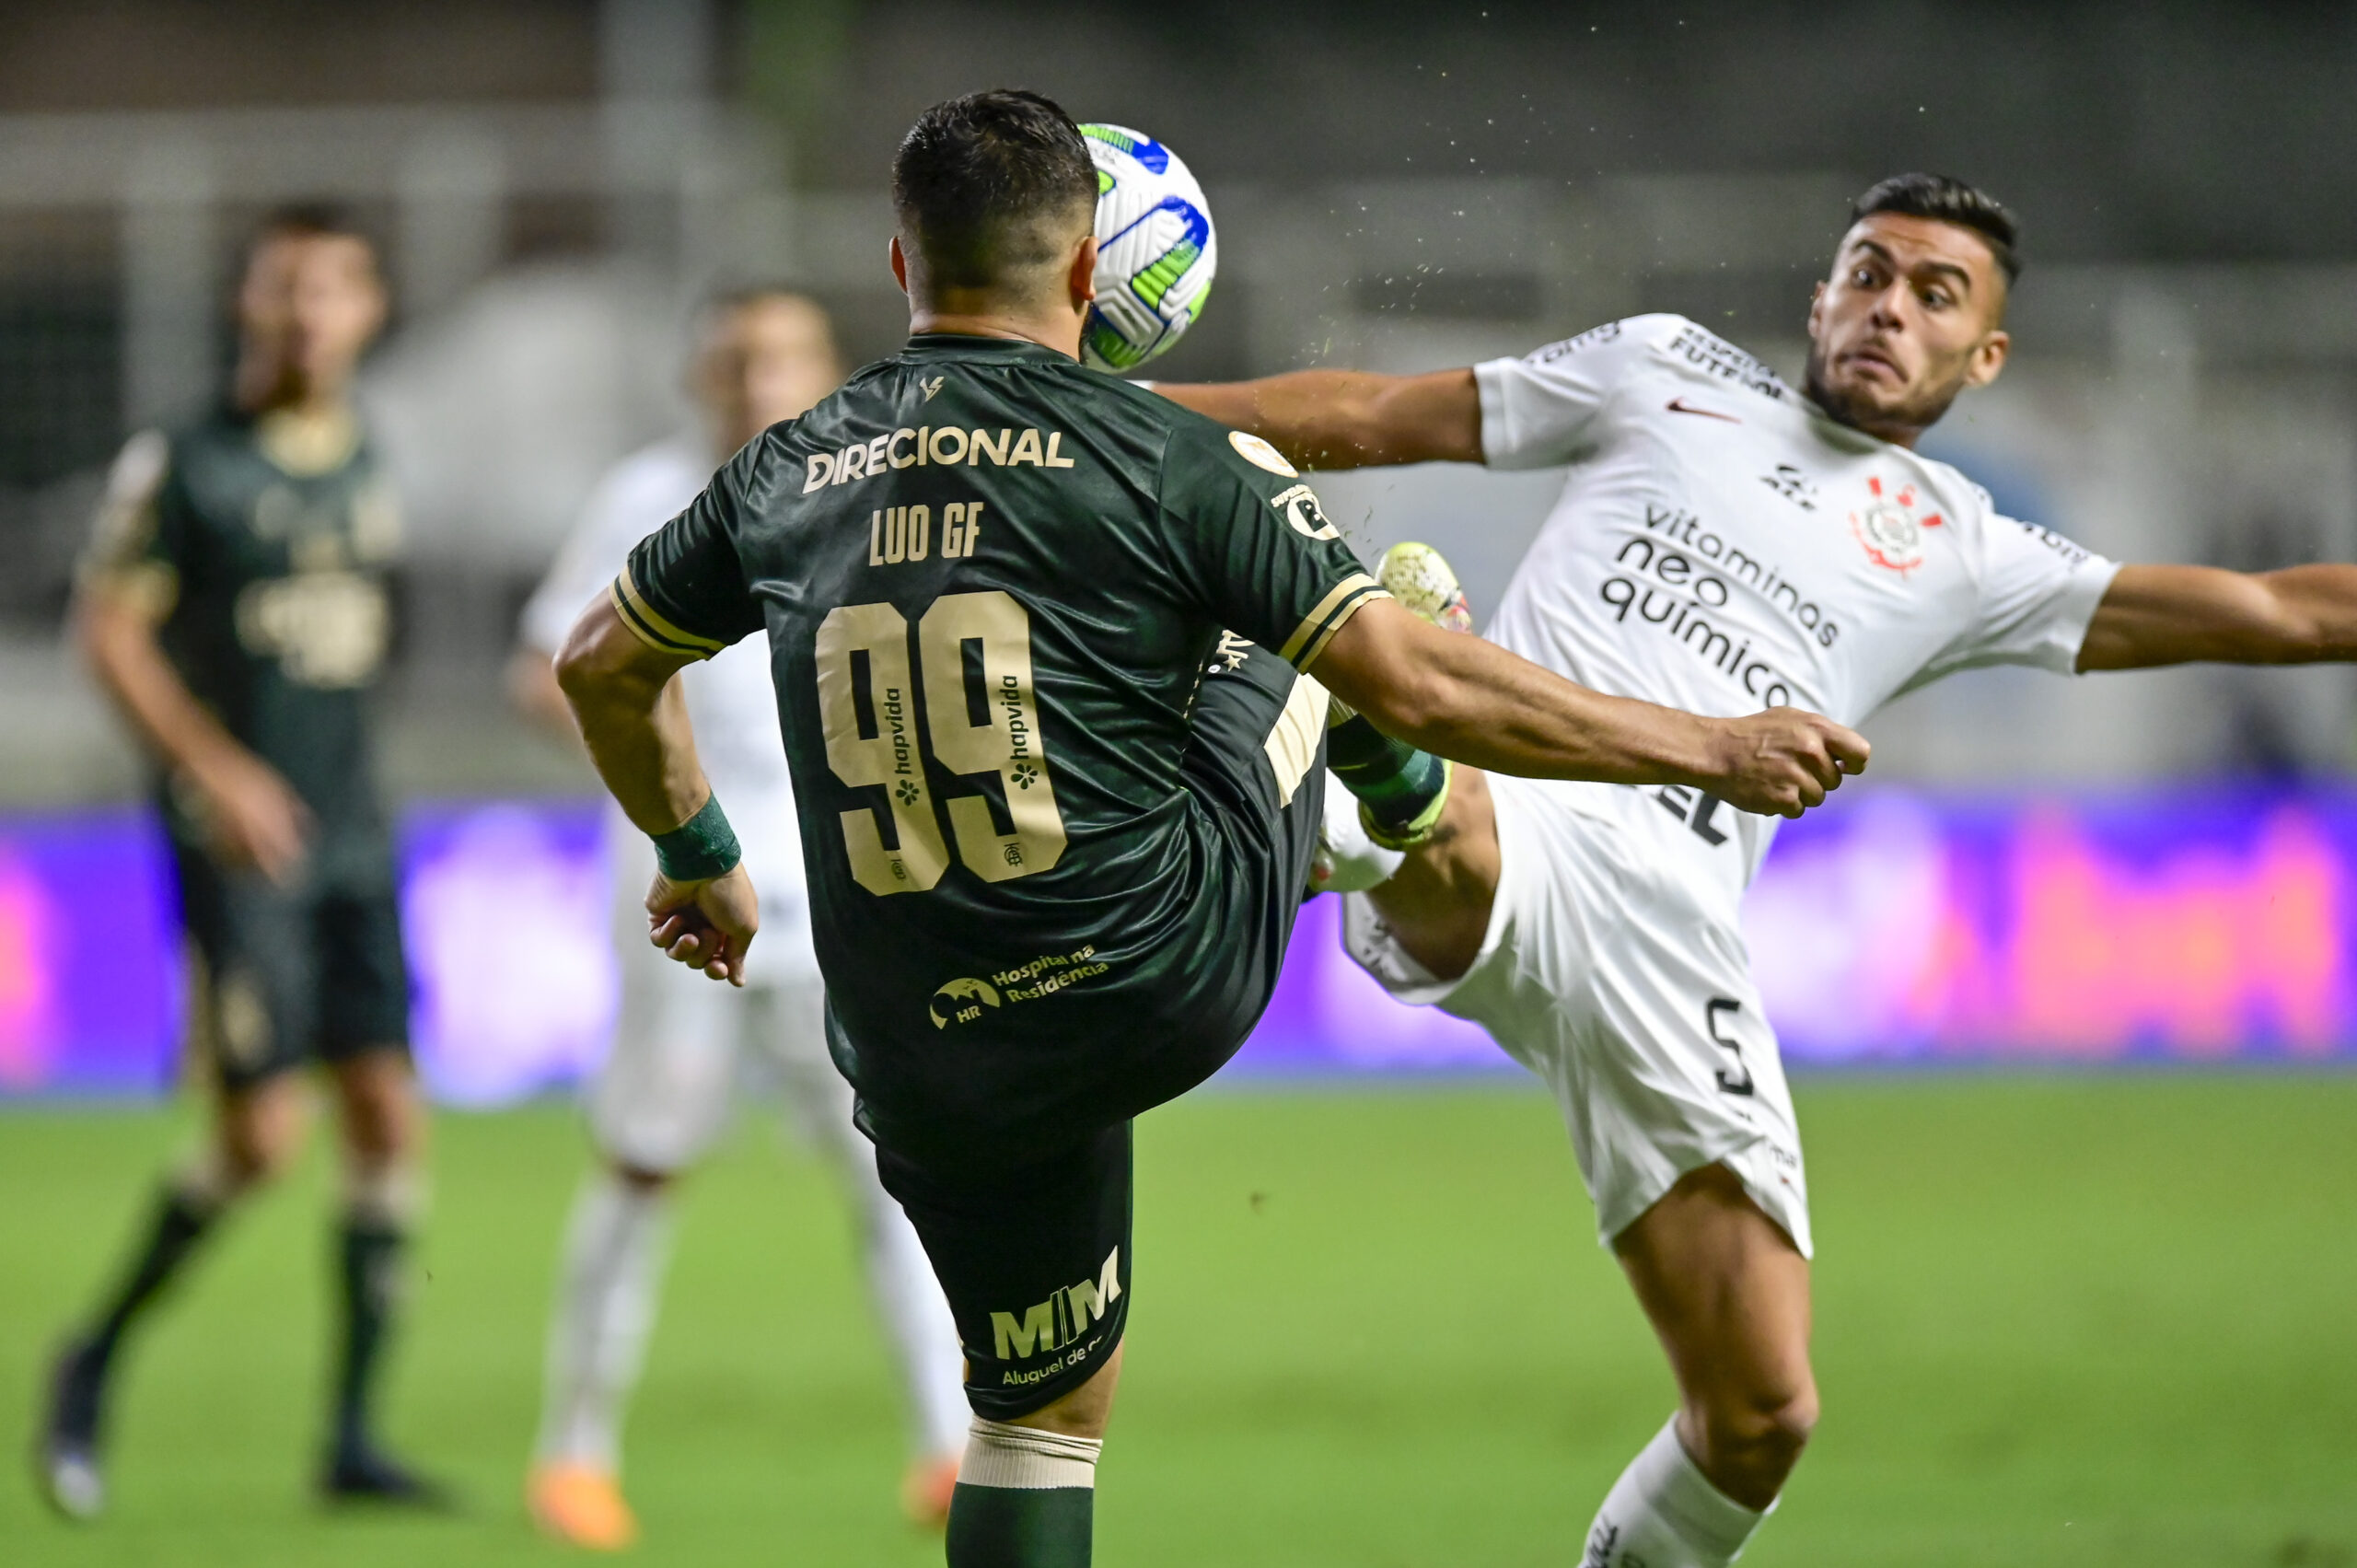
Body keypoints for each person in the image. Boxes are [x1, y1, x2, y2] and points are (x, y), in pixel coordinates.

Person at [550, 89, 1862, 1568]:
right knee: (1359, 614)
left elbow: (602, 663)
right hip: (1154, 968)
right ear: (1096, 280)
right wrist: (1709, 743)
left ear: (904, 268)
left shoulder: (788, 471)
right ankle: (1407, 822)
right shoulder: (1172, 461)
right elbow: (1418, 679)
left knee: (1030, 1429)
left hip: (923, 1034)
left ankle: (1373, 810)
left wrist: (701, 860)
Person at [1155, 171, 2357, 1566]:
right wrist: (1098, 426)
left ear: (1986, 356)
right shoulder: (1663, 371)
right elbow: (1364, 416)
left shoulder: (1967, 549)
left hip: (1674, 928)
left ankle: (1361, 763)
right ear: (1821, 290)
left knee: (1760, 1413)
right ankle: (1373, 759)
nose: (1886, 308)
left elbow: (2268, 608)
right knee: (1446, 806)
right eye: (1868, 271)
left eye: (1933, 294)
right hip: (1529, 800)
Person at [508, 289, 969, 1549]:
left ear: (827, 373)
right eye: (736, 359)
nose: (759, 379)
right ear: (699, 378)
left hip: (844, 899)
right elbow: (550, 666)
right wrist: (667, 780)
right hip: (684, 893)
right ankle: (575, 1454)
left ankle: (947, 1449)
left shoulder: (878, 494)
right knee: (648, 1162)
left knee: (894, 1171)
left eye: (784, 356)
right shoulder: (645, 497)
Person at [41, 206, 439, 1515]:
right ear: (246, 306)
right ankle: (90, 1357)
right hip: (238, 844)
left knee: (386, 1111)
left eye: (332, 290)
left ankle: (352, 1441)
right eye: (283, 290)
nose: (306, 314)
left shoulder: (367, 451)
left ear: (371, 310)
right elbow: (108, 632)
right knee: (265, 1134)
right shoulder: (188, 462)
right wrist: (214, 769)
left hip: (355, 832)